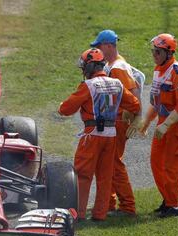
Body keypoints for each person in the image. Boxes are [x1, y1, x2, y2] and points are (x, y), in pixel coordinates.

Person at [58, 48, 140, 221]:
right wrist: (125, 113)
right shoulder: (117, 84)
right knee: (105, 177)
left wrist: (62, 105)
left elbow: (65, 109)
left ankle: (79, 214)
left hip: (92, 134)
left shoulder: (87, 86)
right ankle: (100, 214)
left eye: (84, 68)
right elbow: (135, 104)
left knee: (83, 175)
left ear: (89, 67)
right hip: (111, 135)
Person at [90, 29, 143, 217]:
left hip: (119, 121)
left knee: (114, 163)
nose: (97, 50)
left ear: (108, 46)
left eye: (99, 46)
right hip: (118, 119)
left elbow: (133, 92)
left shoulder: (117, 67)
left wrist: (136, 115)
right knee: (108, 162)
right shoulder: (115, 64)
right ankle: (109, 203)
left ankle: (128, 207)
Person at [140, 34, 178, 218]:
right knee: (156, 163)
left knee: (171, 168)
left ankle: (173, 206)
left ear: (169, 53)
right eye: (153, 50)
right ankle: (167, 199)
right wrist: (146, 122)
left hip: (177, 127)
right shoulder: (159, 70)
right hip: (163, 124)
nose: (154, 54)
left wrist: (166, 124)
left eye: (158, 51)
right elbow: (156, 101)